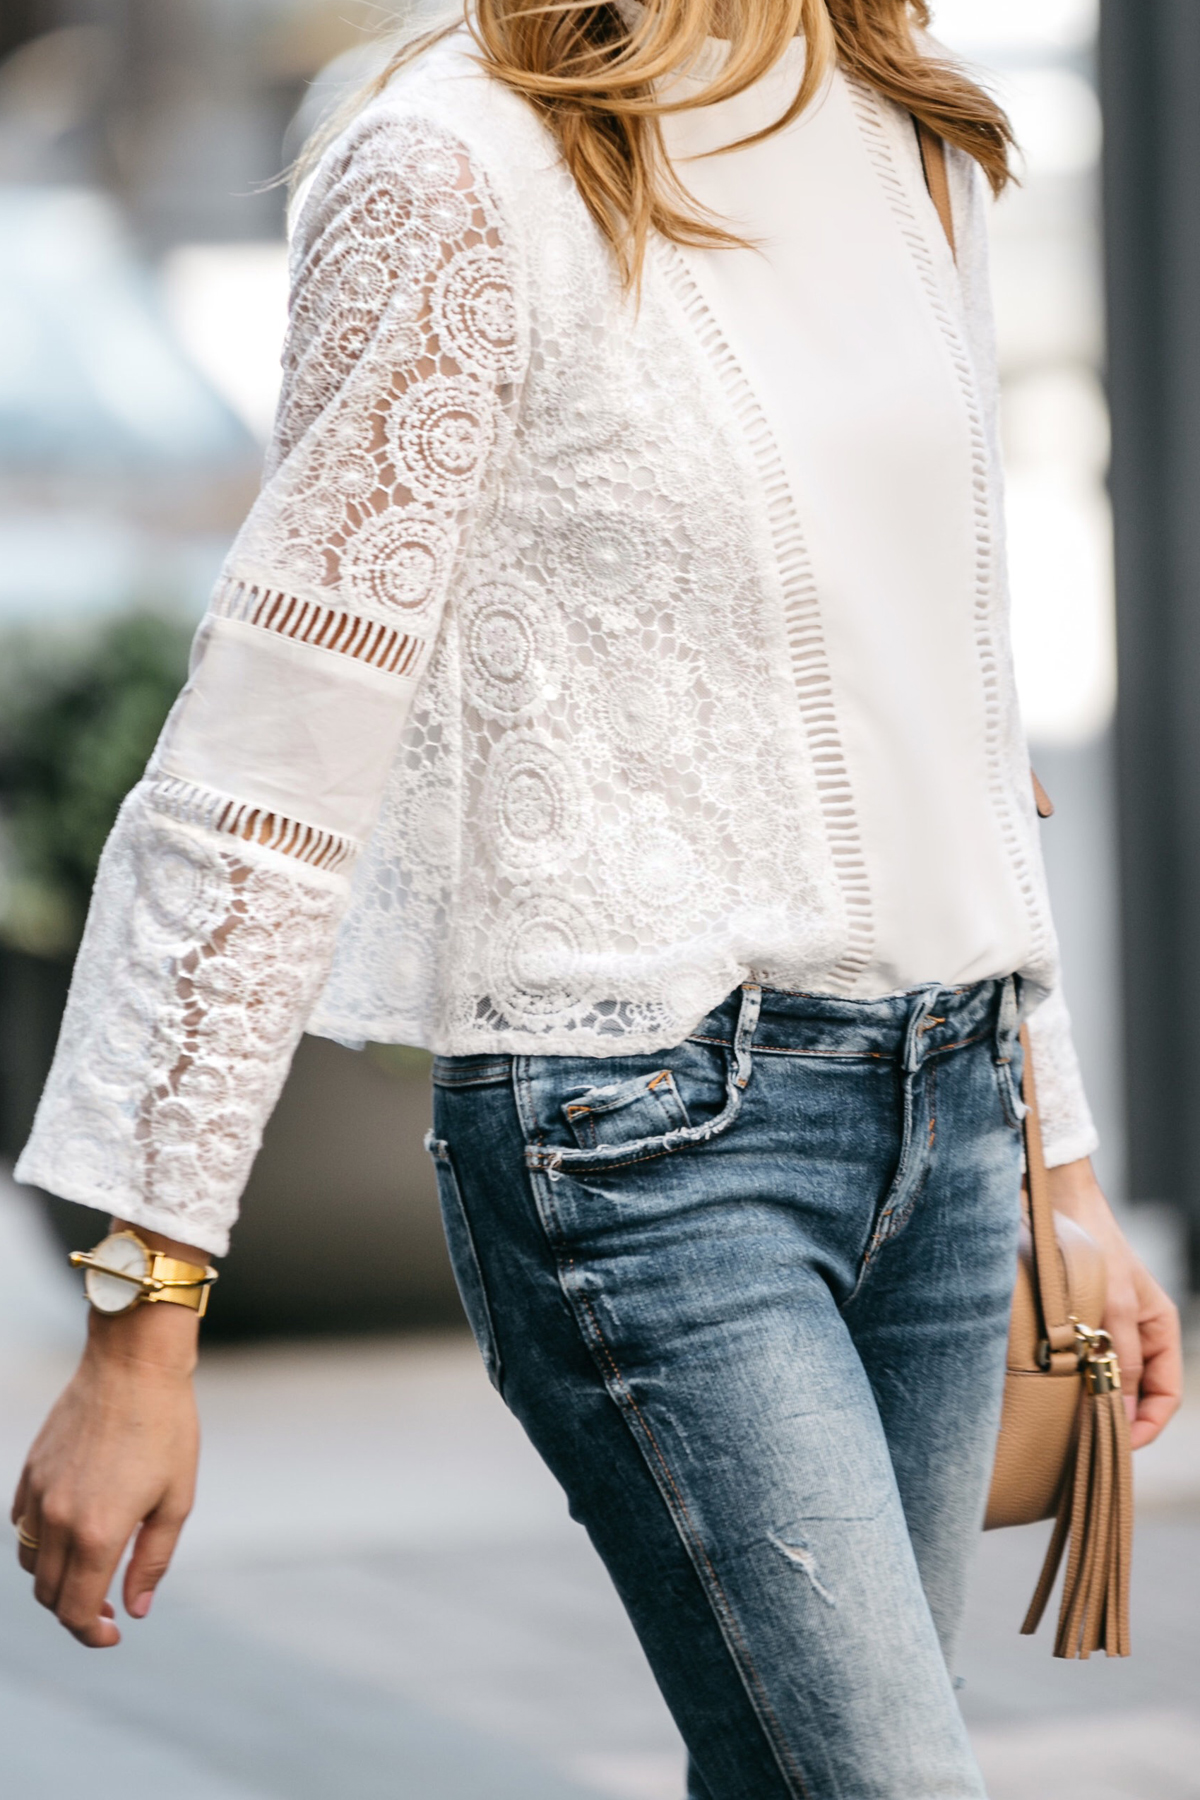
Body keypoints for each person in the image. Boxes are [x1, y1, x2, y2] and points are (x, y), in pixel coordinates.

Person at [10, 3, 1183, 1795]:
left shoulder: (902, 132)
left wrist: (1065, 1167)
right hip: (644, 1149)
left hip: (949, 1127)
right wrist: (140, 1323)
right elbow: (266, 760)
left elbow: (960, 705)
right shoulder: (452, 164)